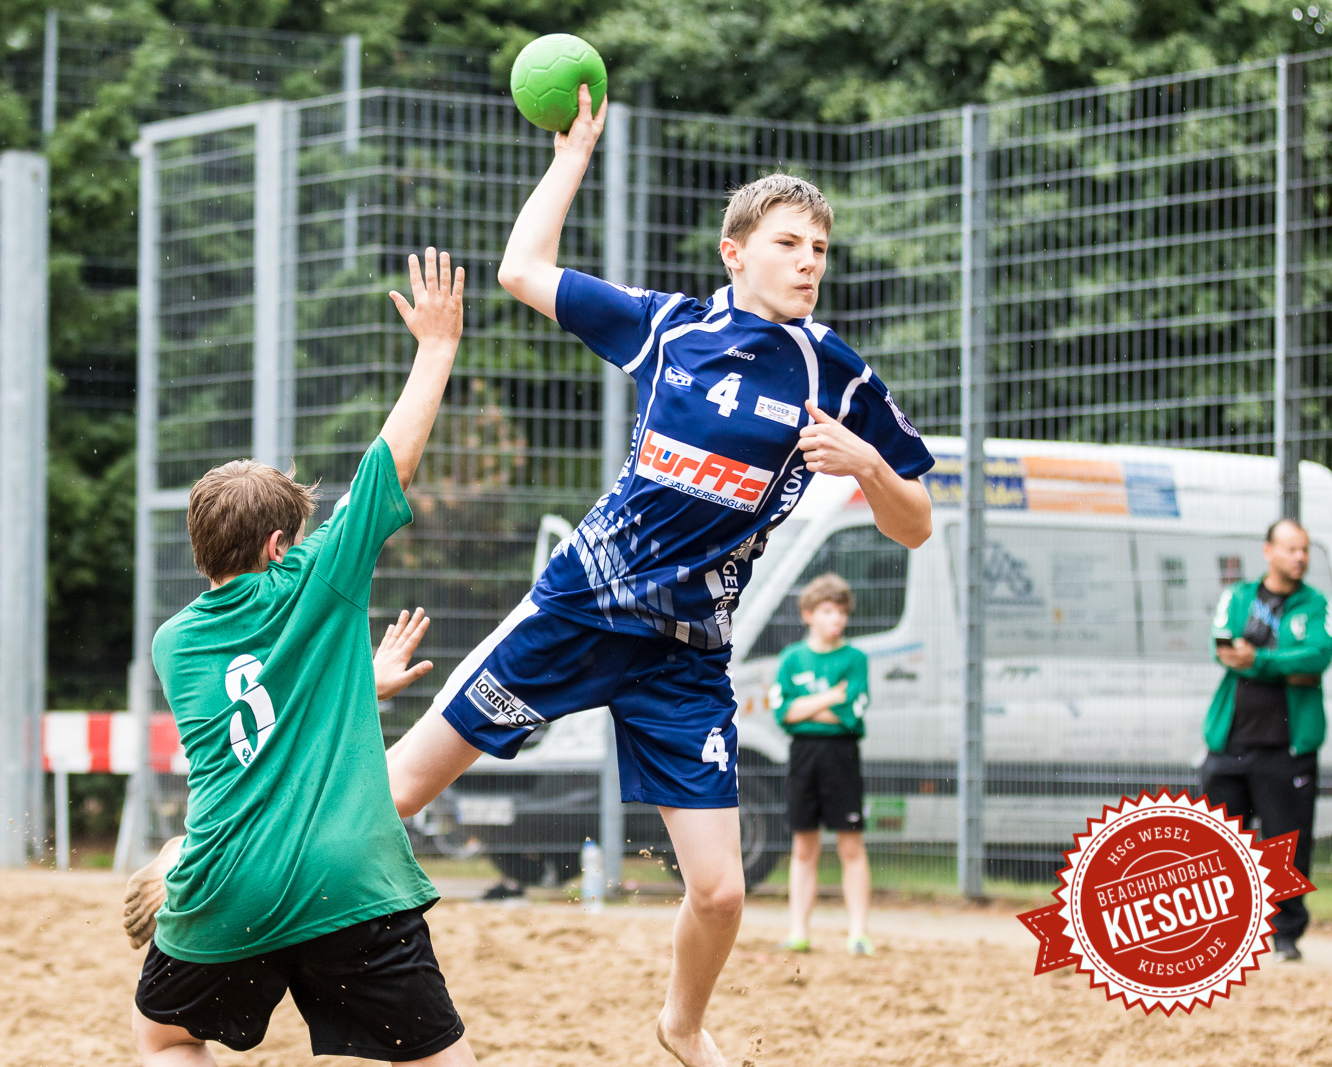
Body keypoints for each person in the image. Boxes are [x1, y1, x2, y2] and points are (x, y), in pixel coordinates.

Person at [382, 87, 934, 1067]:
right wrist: (572, 157)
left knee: (720, 890)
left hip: (684, 654)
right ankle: (229, 877)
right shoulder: (665, 328)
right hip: (580, 606)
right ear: (735, 252)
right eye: (788, 242)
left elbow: (918, 525)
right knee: (397, 792)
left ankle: (679, 1025)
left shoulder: (834, 374)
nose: (809, 260)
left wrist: (870, 467)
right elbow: (520, 269)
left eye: (819, 247)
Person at [131, 248, 476, 1066]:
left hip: (224, 889)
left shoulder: (173, 642)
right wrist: (436, 349)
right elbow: (389, 461)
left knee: (163, 1035)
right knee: (441, 1059)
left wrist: (356, 682)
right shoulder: (318, 578)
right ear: (282, 544)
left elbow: (262, 711)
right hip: (347, 883)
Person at [121, 605, 437, 949]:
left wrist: (359, 688)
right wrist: (358, 689)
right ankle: (192, 852)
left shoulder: (182, 639)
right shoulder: (273, 620)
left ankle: (191, 851)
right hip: (297, 888)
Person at [1202, 518, 1331, 963]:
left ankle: (1286, 940)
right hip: (1230, 743)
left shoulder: (1315, 605)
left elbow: (1316, 657)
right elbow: (1221, 649)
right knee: (1218, 846)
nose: (1301, 558)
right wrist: (1279, 666)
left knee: (1286, 846)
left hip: (1286, 749)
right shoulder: (1237, 598)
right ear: (1268, 552)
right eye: (1292, 549)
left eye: (1305, 550)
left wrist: (1257, 659)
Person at [770, 574, 873, 956]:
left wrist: (806, 707)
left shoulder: (856, 659)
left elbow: (853, 714)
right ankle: (798, 932)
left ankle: (858, 934)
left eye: (843, 612)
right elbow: (783, 713)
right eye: (829, 611)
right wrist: (831, 697)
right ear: (808, 614)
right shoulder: (791, 658)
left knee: (851, 845)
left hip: (842, 756)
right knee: (803, 847)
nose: (837, 619)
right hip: (803, 757)